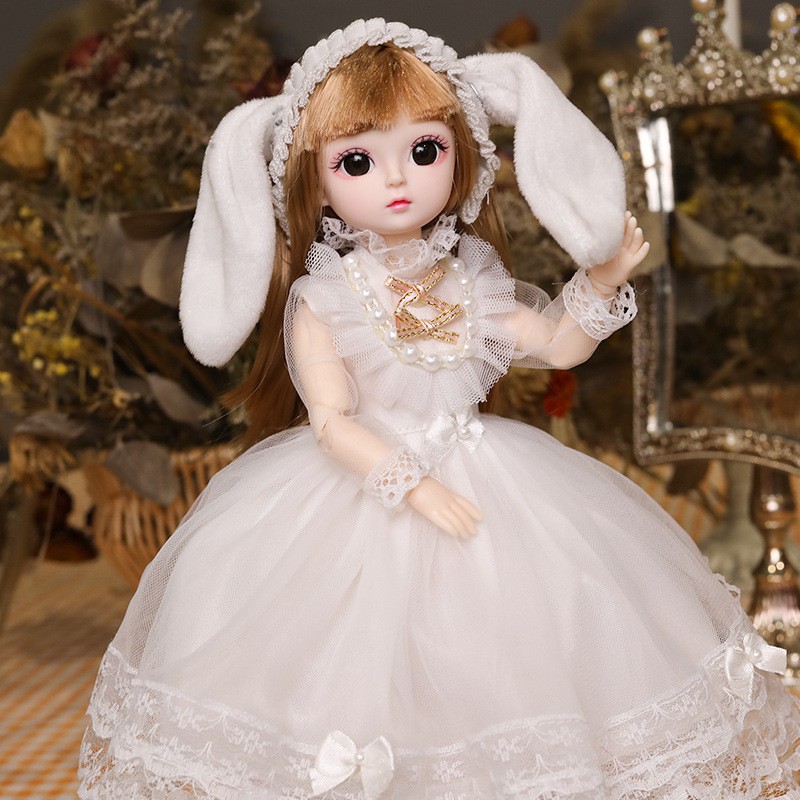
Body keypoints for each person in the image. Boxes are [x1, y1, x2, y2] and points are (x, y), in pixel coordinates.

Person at [78, 19, 800, 800]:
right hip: (366, 490)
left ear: (462, 156)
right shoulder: (327, 298)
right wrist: (411, 483)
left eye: (425, 150)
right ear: (317, 180)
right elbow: (330, 422)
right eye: (357, 161)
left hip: (491, 480)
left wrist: (600, 281)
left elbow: (556, 345)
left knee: (521, 639)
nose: (397, 179)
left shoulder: (467, 280)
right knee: (349, 654)